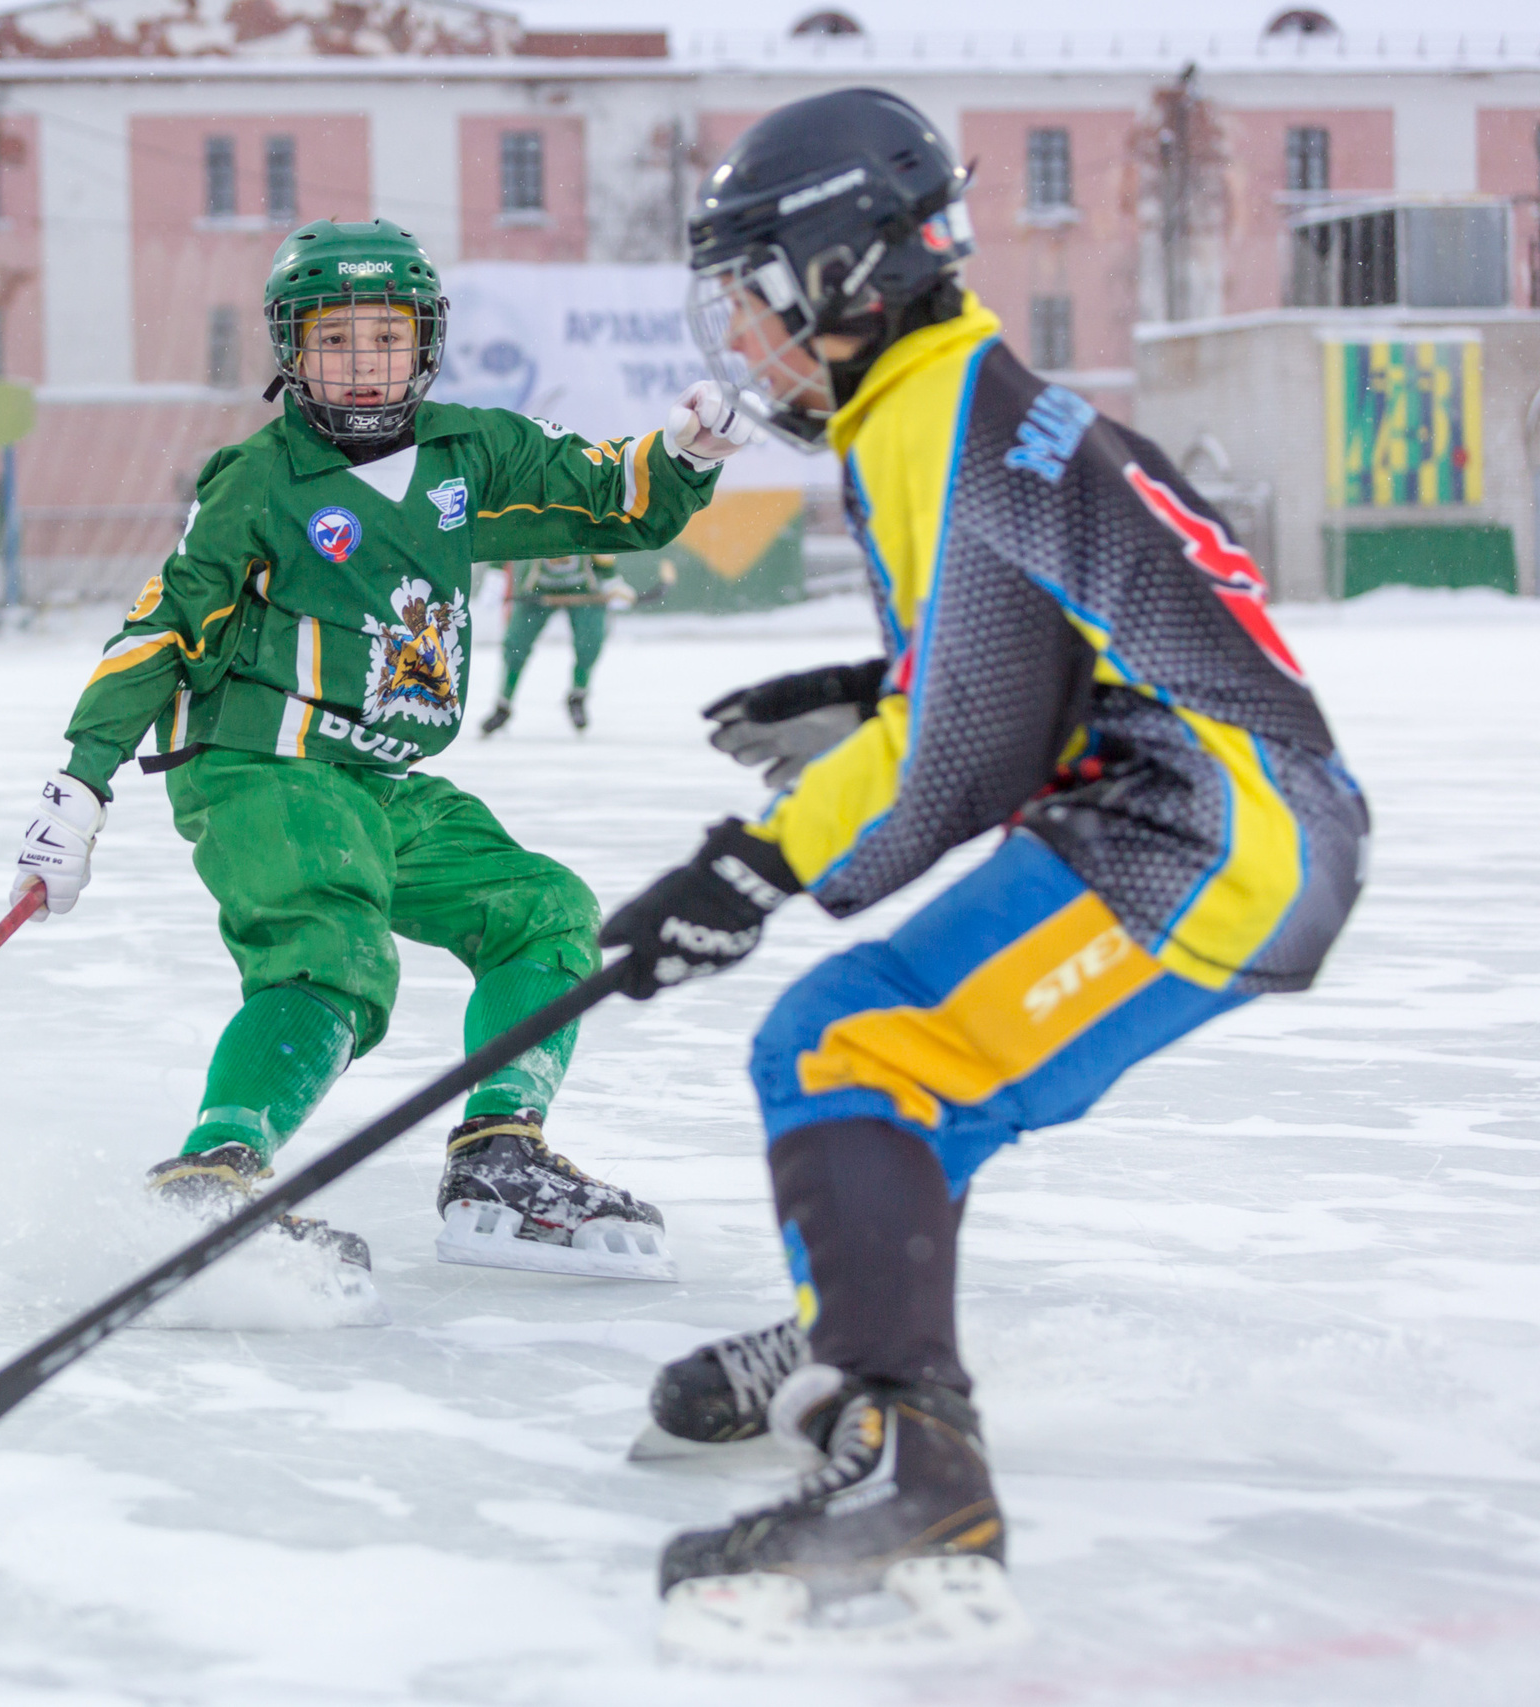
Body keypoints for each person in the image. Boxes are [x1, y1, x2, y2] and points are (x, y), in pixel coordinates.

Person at [599, 89, 1369, 1636]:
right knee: (894, 1062)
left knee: (845, 1043)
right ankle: (861, 1337)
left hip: (1208, 827)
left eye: (754, 302)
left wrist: (745, 868)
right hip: (1209, 807)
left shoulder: (932, 416)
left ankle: (914, 1459)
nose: (742, 344)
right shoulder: (959, 393)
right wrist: (865, 705)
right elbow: (1013, 654)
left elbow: (967, 750)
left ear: (837, 271)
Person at [11, 217, 760, 1287]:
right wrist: (81, 780)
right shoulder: (256, 480)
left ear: (424, 346)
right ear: (291, 352)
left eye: (384, 338)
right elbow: (163, 626)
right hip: (260, 763)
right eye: (333, 341)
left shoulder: (470, 453)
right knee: (335, 952)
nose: (361, 365)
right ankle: (216, 1175)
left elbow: (608, 494)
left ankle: (499, 1157)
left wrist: (685, 451)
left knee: (542, 909)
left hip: (374, 777)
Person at [478, 553, 624, 737]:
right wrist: (496, 572)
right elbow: (506, 534)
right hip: (536, 590)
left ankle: (578, 694)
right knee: (515, 645)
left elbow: (602, 544)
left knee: (590, 642)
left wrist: (611, 577)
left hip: (584, 590)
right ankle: (503, 704)